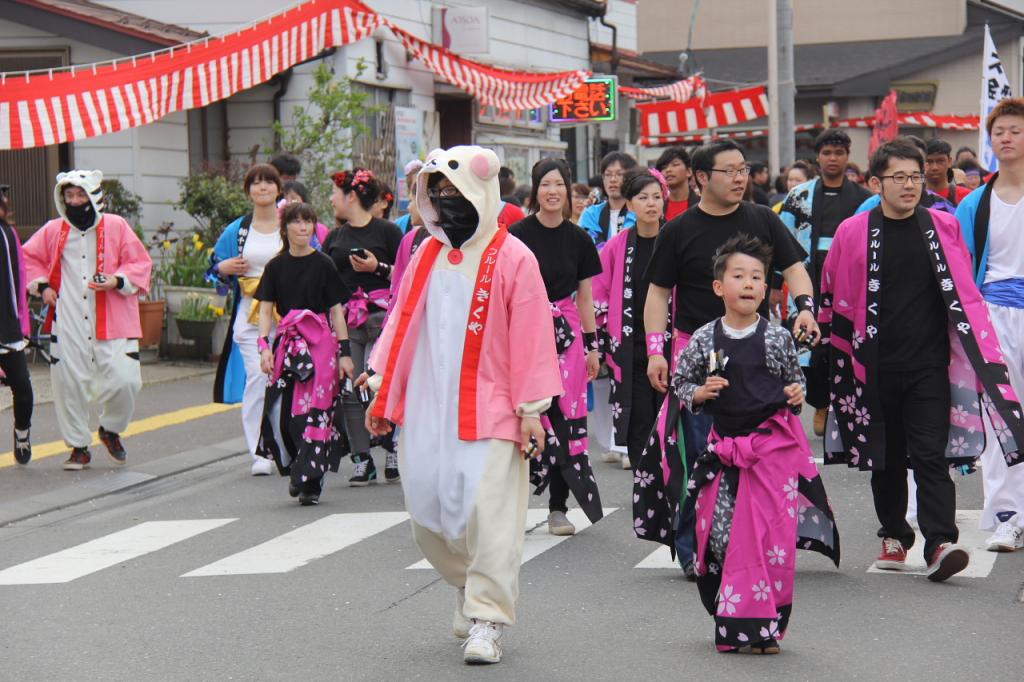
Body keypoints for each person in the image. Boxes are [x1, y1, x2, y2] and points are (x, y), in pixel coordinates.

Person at [362, 145, 562, 665]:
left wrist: (532, 408)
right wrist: (381, 373)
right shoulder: (424, 253)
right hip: (428, 405)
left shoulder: (514, 256)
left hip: (493, 405)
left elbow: (533, 336)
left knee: (487, 512)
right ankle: (467, 586)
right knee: (428, 512)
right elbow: (401, 319)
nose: (447, 201)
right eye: (439, 192)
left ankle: (487, 619)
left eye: (456, 191)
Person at [820, 139, 1024, 581]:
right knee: (886, 456)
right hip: (872, 365)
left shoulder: (942, 227)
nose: (909, 185)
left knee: (931, 455)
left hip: (930, 364)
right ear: (876, 183)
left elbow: (964, 291)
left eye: (915, 176)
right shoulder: (852, 233)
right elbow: (832, 294)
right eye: (899, 177)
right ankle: (894, 535)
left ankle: (939, 542)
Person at [637, 139, 817, 580]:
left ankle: (751, 540)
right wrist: (655, 351)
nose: (740, 178)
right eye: (729, 171)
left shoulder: (761, 219)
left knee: (761, 451)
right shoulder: (677, 230)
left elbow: (793, 266)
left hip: (757, 353)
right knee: (702, 453)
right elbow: (657, 293)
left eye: (743, 170)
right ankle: (694, 547)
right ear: (701, 178)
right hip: (699, 356)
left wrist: (806, 306)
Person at [671, 234, 839, 654]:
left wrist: (797, 394)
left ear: (767, 288)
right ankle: (733, 616)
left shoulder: (778, 337)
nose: (748, 283)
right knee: (722, 537)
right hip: (724, 453)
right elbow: (680, 382)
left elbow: (793, 383)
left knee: (771, 540)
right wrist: (700, 392)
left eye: (757, 277)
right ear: (718, 287)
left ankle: (765, 628)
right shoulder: (704, 339)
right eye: (738, 275)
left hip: (770, 453)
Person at [24, 170, 152, 470]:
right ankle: (78, 446)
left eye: (80, 195)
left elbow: (140, 263)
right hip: (68, 317)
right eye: (69, 196)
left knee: (126, 380)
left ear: (94, 197)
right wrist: (43, 287)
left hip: (113, 316)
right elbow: (28, 258)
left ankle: (110, 428)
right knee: (68, 383)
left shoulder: (117, 226)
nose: (75, 201)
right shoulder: (54, 230)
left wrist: (116, 280)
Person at [510, 158, 604, 535]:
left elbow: (585, 299)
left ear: (568, 191)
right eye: (546, 184)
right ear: (535, 190)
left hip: (568, 338)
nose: (553, 192)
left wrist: (592, 346)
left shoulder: (578, 238)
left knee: (566, 418)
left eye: (559, 185)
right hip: (526, 332)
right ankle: (513, 503)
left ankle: (558, 507)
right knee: (523, 416)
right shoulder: (515, 235)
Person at [955, 97, 1024, 551]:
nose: (1006, 137)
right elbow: (960, 270)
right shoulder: (974, 204)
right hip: (994, 318)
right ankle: (1008, 514)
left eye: (1016, 130)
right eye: (999, 131)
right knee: (1002, 418)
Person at [254, 202, 354, 505]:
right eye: (296, 222)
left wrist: (344, 353)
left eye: (308, 222)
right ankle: (298, 466)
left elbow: (337, 312)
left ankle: (310, 479)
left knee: (317, 411)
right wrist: (263, 348)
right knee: (285, 413)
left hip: (321, 343)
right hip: (287, 344)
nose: (302, 228)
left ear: (314, 227)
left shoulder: (323, 263)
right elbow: (266, 310)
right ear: (286, 228)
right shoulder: (275, 266)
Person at [779, 129, 871, 436]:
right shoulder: (799, 196)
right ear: (817, 157)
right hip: (808, 279)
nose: (833, 159)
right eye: (827, 153)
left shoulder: (865, 199)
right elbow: (782, 239)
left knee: (844, 344)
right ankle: (821, 401)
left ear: (848, 156)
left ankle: (841, 406)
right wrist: (774, 283)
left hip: (850, 283)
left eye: (839, 153)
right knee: (809, 347)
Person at [322, 169, 403, 485]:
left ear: (351, 196)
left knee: (382, 383)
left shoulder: (388, 232)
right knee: (350, 387)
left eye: (335, 193)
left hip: (383, 319)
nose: (332, 199)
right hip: (347, 319)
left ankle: (392, 446)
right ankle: (362, 458)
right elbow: (325, 279)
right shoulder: (334, 237)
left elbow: (408, 274)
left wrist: (377, 267)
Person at [210, 164, 285, 476]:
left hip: (291, 317)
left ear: (279, 188)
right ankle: (260, 450)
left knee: (286, 381)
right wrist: (223, 268)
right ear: (248, 190)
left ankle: (286, 446)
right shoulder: (237, 230)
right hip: (250, 316)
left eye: (269, 182)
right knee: (258, 379)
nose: (263, 187)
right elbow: (214, 269)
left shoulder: (292, 224)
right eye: (256, 182)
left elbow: (316, 260)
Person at [592, 171, 668, 474]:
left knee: (669, 419)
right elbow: (599, 294)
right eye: (642, 197)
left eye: (656, 196)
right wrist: (596, 344)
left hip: (671, 346)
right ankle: (645, 484)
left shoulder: (674, 238)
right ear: (630, 206)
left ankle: (670, 488)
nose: (651, 204)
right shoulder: (616, 247)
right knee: (639, 420)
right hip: (630, 347)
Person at [0, 186, 34, 464]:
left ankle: (22, 431)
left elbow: (19, 279)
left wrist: (22, 323)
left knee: (22, 388)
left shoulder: (8, 233)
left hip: (7, 325)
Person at [579, 151, 639, 244]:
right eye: (608, 174)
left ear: (630, 177)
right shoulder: (592, 213)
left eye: (619, 174)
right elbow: (595, 249)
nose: (613, 179)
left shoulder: (640, 211)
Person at [655, 146, 700, 220]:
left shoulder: (703, 205)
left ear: (689, 171)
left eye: (675, 165)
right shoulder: (658, 207)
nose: (668, 170)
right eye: (664, 167)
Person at [925, 139, 972, 206]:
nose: (934, 167)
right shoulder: (914, 198)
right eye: (929, 161)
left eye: (940, 161)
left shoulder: (966, 197)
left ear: (949, 162)